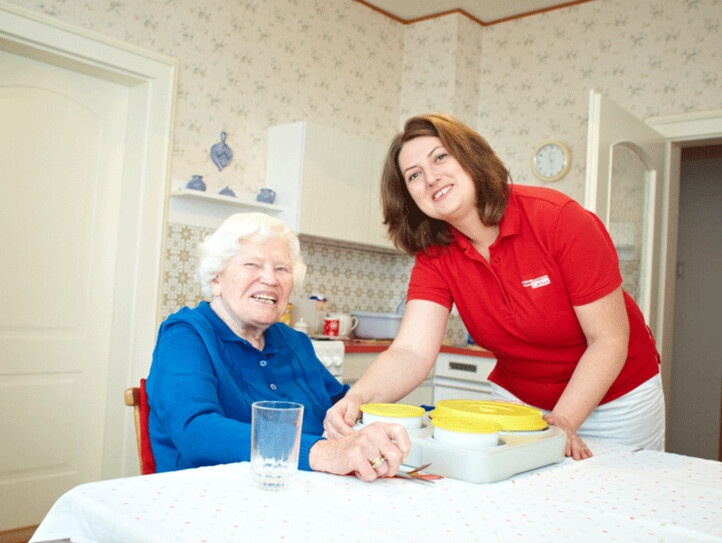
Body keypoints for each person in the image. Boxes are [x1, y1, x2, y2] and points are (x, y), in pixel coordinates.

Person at [324, 114, 665, 460]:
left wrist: (563, 422)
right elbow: (411, 351)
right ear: (409, 196)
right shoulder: (435, 255)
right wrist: (357, 398)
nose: (430, 178)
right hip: (522, 404)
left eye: (440, 157)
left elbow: (608, 339)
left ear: (470, 156)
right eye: (413, 175)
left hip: (618, 402)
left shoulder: (558, 218)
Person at [146, 212, 409, 480]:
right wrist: (323, 452)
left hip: (304, 495)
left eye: (281, 269)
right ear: (216, 279)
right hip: (214, 501)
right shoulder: (185, 335)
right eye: (252, 265)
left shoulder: (293, 341)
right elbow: (196, 431)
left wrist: (406, 425)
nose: (270, 280)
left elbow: (341, 407)